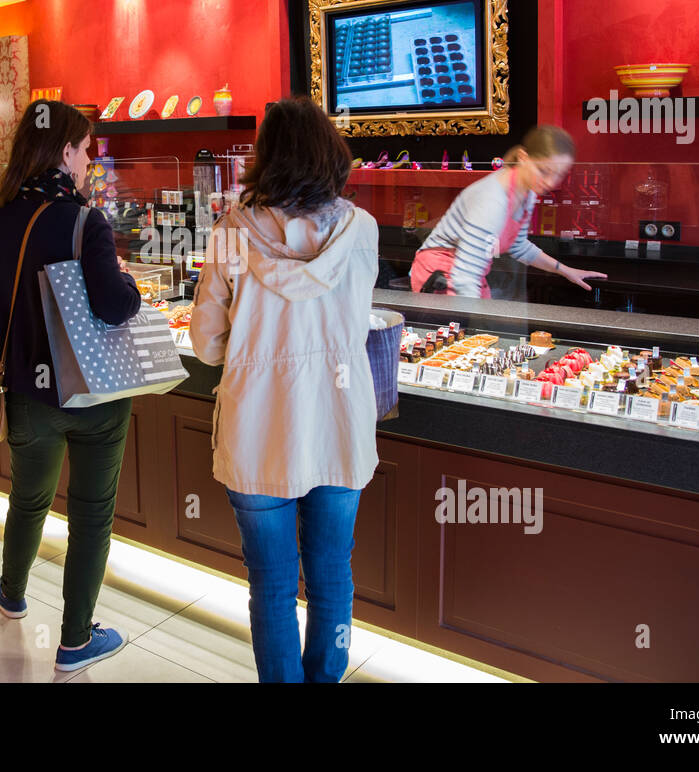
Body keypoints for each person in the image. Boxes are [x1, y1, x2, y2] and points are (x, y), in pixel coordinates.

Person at [190, 96, 380, 683]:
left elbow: (205, 341)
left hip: (257, 428)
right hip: (338, 425)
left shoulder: (229, 233)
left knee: (271, 586)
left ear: (264, 158)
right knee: (331, 578)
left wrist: (249, 355)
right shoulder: (363, 230)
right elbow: (358, 317)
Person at [0, 100, 141, 673]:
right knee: (91, 515)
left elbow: (0, 310)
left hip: (25, 391)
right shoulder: (82, 220)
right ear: (65, 150)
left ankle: (12, 592)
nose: (90, 158)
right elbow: (114, 305)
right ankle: (75, 639)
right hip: (92, 395)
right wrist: (129, 284)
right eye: (87, 147)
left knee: (28, 499)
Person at [409, 124, 607, 297]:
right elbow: (465, 275)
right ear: (523, 157)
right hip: (439, 274)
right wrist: (480, 318)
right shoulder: (493, 199)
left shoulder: (527, 192)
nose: (550, 182)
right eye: (544, 171)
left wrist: (564, 270)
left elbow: (518, 246)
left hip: (467, 275)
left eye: (559, 175)